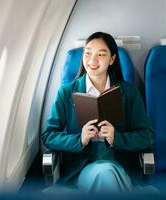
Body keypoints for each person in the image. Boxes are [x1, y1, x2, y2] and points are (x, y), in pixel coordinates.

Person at [42, 32, 155, 194]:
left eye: (101, 54)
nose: (92, 60)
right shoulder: (66, 92)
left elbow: (147, 135)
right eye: (87, 53)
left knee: (106, 173)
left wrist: (117, 138)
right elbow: (48, 135)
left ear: (112, 59)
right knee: (104, 174)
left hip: (120, 166)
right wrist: (79, 139)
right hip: (81, 169)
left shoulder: (128, 92)